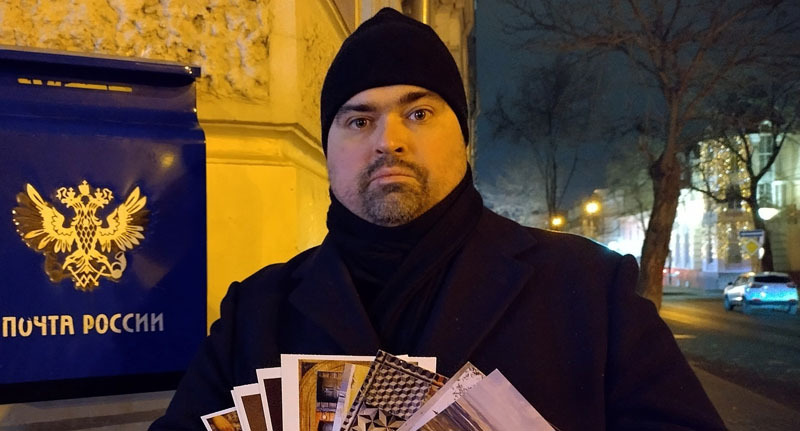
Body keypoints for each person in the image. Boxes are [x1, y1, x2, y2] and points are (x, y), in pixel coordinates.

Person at [151, 8, 725, 430]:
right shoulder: (255, 312)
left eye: (419, 113)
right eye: (358, 121)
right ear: (328, 149)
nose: (389, 140)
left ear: (464, 138)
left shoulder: (590, 290)